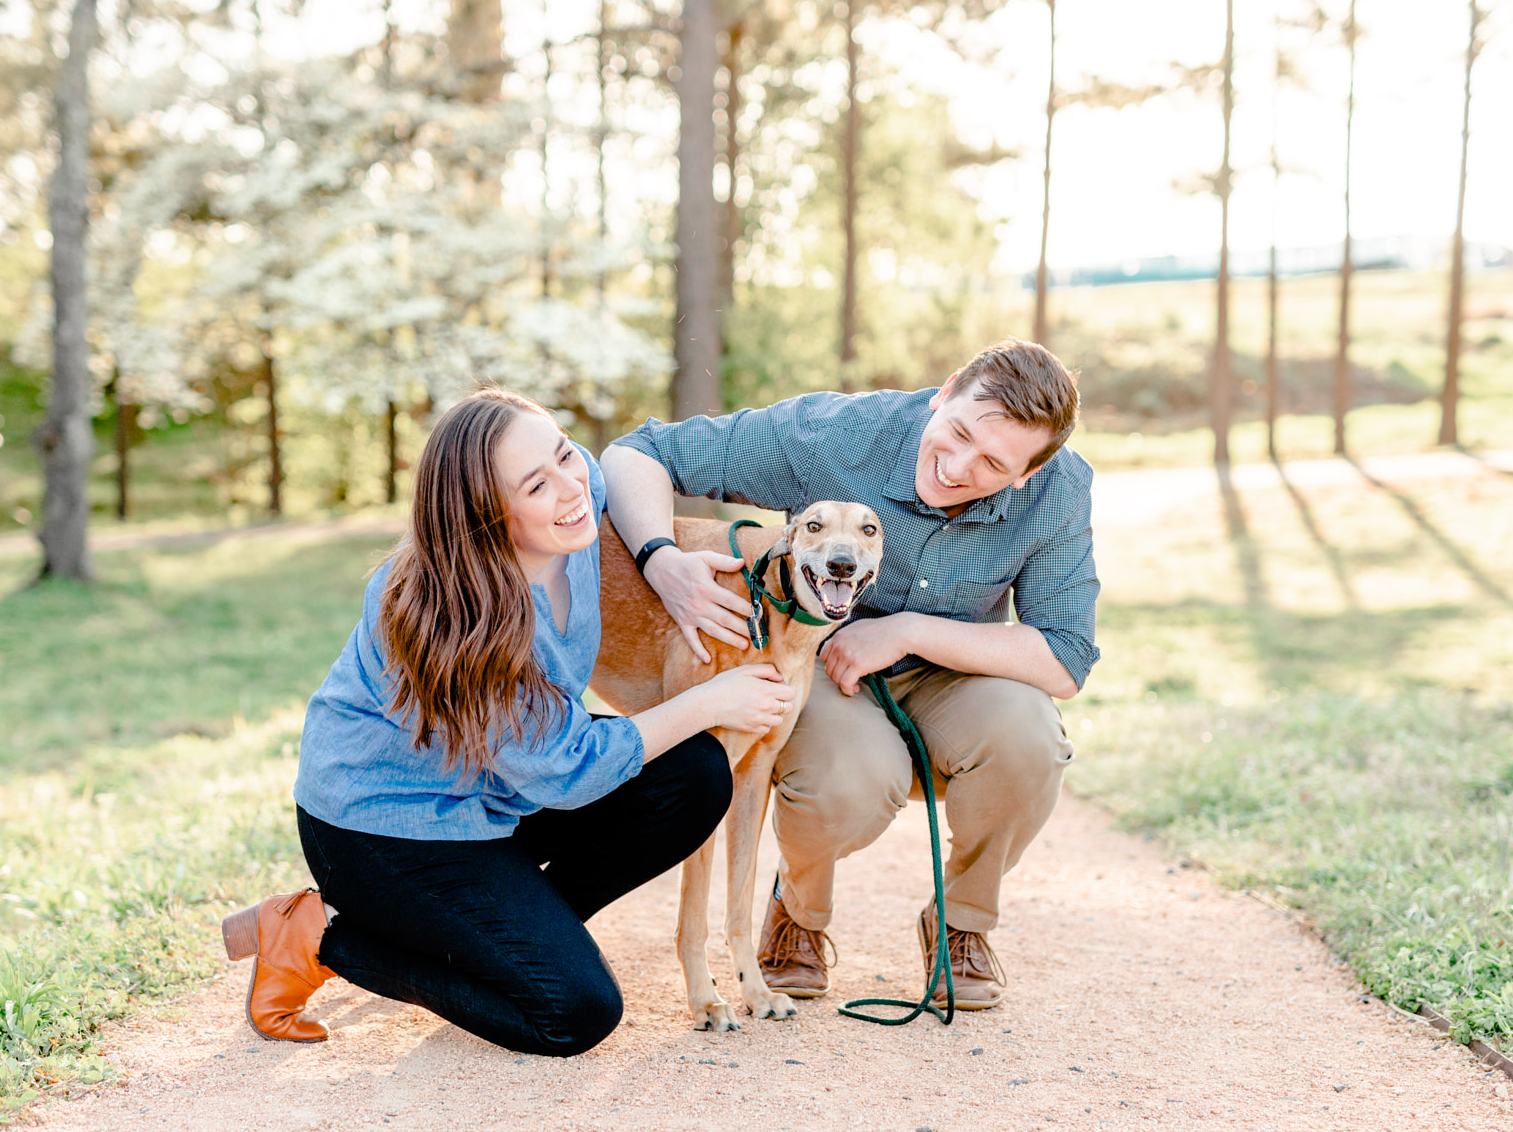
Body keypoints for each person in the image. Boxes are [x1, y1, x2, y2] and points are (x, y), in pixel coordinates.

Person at [224, 389, 797, 1056]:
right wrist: (710, 701)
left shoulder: (570, 507)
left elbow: (629, 459)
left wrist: (661, 558)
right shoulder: (453, 616)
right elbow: (566, 768)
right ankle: (316, 937)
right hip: (386, 828)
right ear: (488, 516)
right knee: (572, 1010)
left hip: (498, 794)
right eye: (537, 484)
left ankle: (494, 949)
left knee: (694, 778)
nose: (571, 486)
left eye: (562, 453)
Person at [601, 339, 1097, 1011]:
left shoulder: (1061, 490)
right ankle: (797, 915)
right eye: (955, 433)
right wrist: (659, 558)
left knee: (1030, 738)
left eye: (991, 464)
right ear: (945, 391)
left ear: (1025, 475)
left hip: (958, 676)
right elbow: (638, 452)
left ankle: (963, 926)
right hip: (829, 673)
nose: (955, 466)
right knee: (844, 779)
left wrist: (905, 630)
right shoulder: (833, 435)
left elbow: (1065, 657)